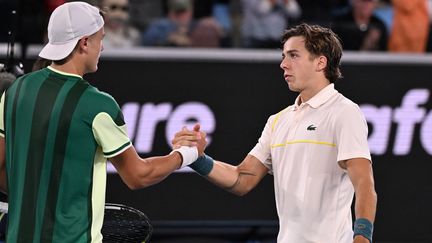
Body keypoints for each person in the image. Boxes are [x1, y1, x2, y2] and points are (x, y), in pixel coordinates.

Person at [0, 2, 201, 242]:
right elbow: (138, 175)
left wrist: (36, 197)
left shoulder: (15, 91)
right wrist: (186, 154)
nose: (102, 46)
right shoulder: (97, 105)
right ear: (84, 43)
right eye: (100, 39)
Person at [173, 23, 377, 243]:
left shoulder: (344, 112)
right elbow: (243, 179)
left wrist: (362, 239)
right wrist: (197, 158)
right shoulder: (278, 121)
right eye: (283, 56)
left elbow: (364, 184)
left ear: (320, 62)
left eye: (293, 56)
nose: (283, 64)